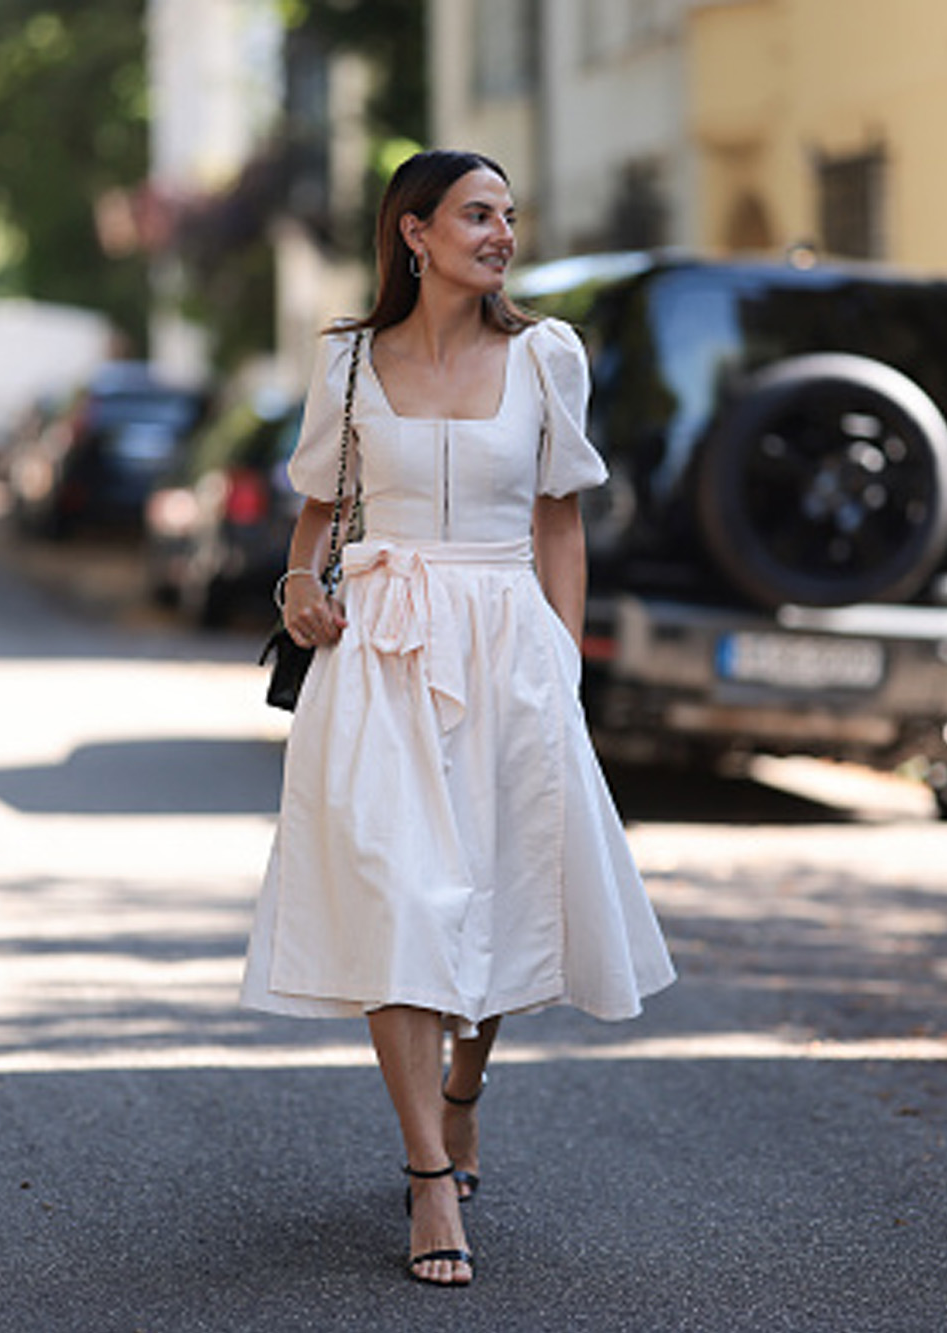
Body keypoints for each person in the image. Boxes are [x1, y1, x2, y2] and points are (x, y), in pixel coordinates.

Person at [239, 149, 676, 1288]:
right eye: (478, 214)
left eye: (509, 215)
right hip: (380, 646)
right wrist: (298, 588)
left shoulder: (545, 356)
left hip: (507, 648)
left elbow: (560, 525)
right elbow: (316, 513)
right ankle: (428, 1175)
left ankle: (463, 1092)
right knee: (395, 890)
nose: (502, 233)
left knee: (490, 897)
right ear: (414, 233)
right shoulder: (346, 361)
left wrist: (562, 668)